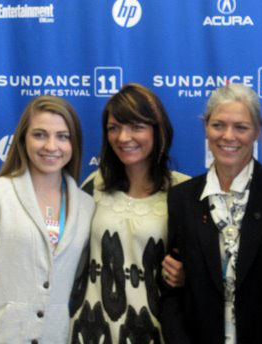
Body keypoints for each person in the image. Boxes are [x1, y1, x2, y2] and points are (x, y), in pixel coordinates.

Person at [160, 83, 262, 344]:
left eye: (241, 127)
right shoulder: (182, 198)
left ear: (257, 131)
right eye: (218, 125)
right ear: (206, 128)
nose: (228, 136)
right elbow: (171, 288)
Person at [68, 83, 189, 343]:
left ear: (158, 130)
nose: (123, 138)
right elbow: (53, 234)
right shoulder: (94, 184)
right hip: (91, 330)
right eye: (114, 128)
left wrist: (186, 274)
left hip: (157, 331)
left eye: (136, 126)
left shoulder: (183, 191)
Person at [0, 96, 95, 343]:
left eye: (62, 136)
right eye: (39, 135)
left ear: (74, 143)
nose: (51, 146)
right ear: (23, 139)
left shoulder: (86, 206)